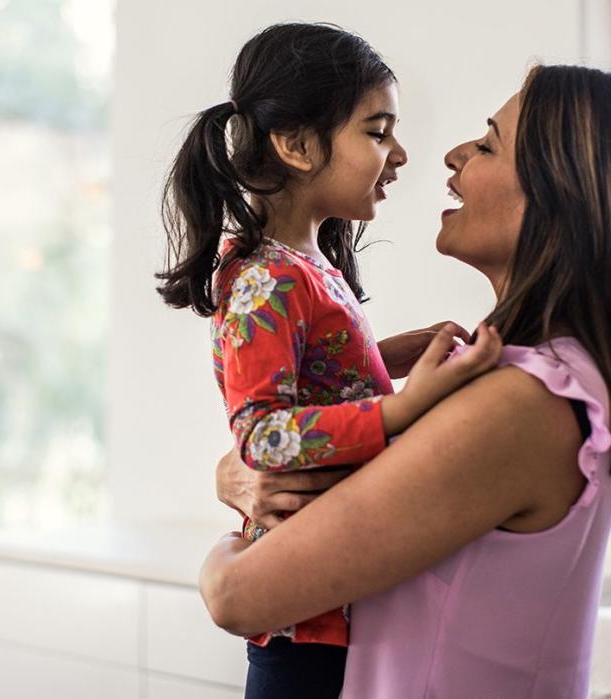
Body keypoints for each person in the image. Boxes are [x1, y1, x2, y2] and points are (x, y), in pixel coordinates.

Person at [200, 64, 611, 698]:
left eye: (488, 144)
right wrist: (240, 469)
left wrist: (223, 552)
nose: (454, 154)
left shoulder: (519, 405)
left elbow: (237, 597)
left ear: (561, 196)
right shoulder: (539, 379)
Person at [156, 22, 503, 699]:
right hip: (305, 619)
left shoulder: (305, 266)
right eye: (377, 131)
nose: (399, 154)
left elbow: (322, 380)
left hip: (335, 596)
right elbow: (262, 435)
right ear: (296, 145)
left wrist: (394, 354)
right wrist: (401, 405)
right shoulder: (268, 279)